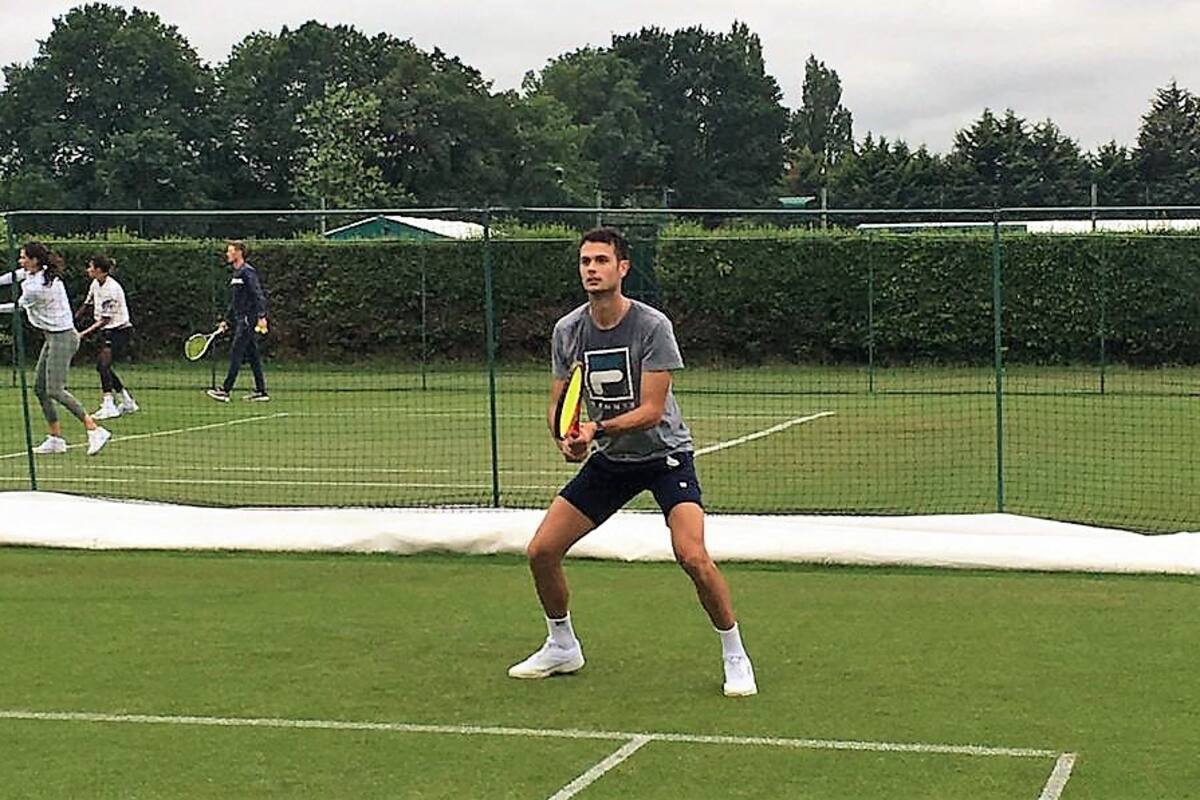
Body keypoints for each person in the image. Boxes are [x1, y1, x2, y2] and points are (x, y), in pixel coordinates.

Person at [508, 226, 757, 697]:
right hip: (611, 460)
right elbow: (559, 404)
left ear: (622, 268)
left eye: (601, 261)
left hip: (665, 456)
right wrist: (566, 439)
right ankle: (562, 645)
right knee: (541, 551)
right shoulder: (568, 331)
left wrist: (595, 430)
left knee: (692, 555)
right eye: (585, 261)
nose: (592, 269)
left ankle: (734, 654)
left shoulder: (652, 326)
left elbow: (651, 411)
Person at [0, 242, 110, 455]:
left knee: (54, 390)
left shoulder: (37, 288)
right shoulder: (34, 273)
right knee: (40, 389)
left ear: (34, 260)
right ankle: (56, 439)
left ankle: (95, 429)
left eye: (23, 257)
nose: (20, 261)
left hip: (63, 338)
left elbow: (18, 307)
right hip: (52, 338)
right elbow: (13, 276)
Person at [206, 240, 270, 402]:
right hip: (241, 319)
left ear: (239, 252)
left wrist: (262, 317)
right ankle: (261, 392)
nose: (227, 254)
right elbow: (235, 301)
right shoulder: (236, 274)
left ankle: (225, 390)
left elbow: (258, 295)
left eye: (230, 251)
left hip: (248, 320)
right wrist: (226, 320)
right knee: (253, 355)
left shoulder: (247, 272)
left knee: (236, 352)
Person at [76, 254, 138, 420]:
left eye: (91, 267)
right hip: (107, 331)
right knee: (103, 367)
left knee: (103, 366)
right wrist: (71, 321)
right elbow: (87, 304)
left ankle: (109, 405)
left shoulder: (112, 289)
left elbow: (105, 320)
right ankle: (127, 401)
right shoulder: (95, 283)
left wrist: (83, 334)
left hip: (120, 331)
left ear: (99, 270)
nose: (88, 270)